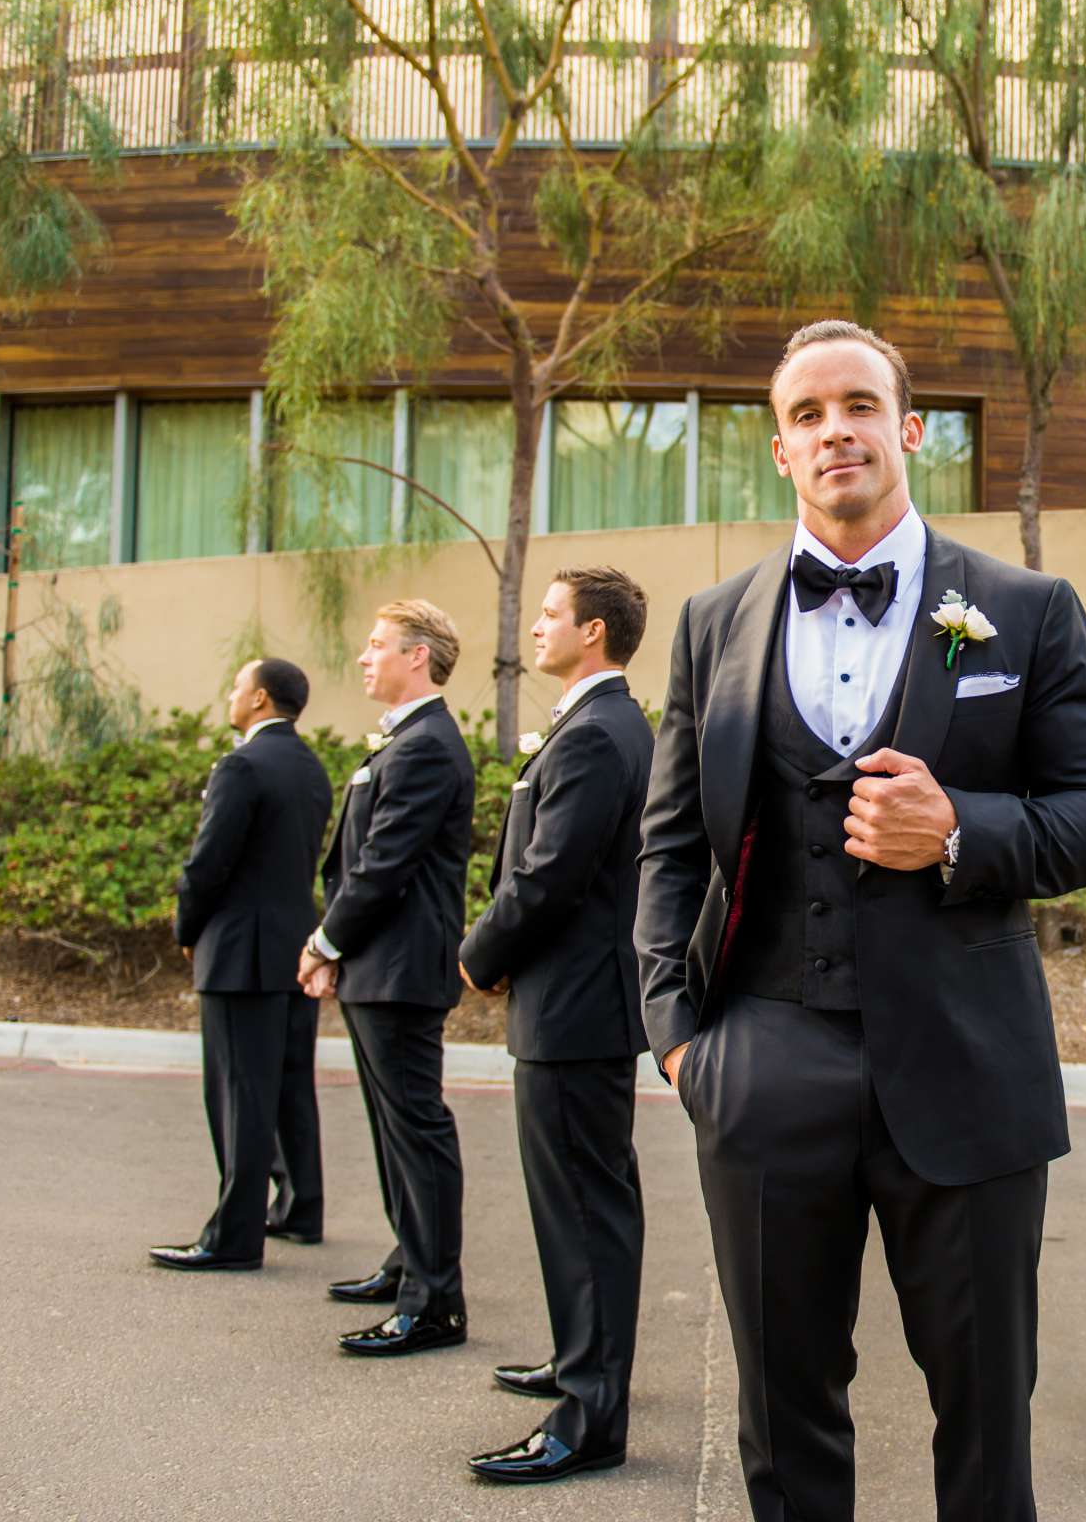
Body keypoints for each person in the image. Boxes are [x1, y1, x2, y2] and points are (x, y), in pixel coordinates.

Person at [635, 319, 1086, 1522]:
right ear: (780, 451)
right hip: (763, 1062)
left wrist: (962, 831)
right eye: (807, 415)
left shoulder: (1022, 607)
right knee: (783, 1409)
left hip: (970, 1067)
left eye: (858, 405)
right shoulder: (714, 622)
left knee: (984, 1414)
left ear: (908, 429)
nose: (835, 432)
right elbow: (668, 842)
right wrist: (677, 1030)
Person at [459, 567, 655, 1484]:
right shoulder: (598, 724)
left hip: (577, 1006)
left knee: (584, 1208)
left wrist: (478, 952)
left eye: (549, 614)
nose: (536, 626)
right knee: (579, 1207)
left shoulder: (599, 733)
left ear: (594, 632)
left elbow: (547, 875)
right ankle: (582, 1361)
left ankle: (589, 1419)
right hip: (569, 1000)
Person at [301, 600, 478, 1358]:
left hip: (401, 966)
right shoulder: (405, 741)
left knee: (416, 1127)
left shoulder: (428, 745)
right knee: (391, 1126)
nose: (364, 658)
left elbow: (383, 865)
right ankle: (411, 1260)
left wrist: (325, 939)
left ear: (418, 657)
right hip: (382, 964)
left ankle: (434, 1299)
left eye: (377, 646)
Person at [149, 657, 332, 1272]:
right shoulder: (311, 768)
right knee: (287, 1084)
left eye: (235, 688)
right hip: (293, 944)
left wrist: (186, 927)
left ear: (258, 699)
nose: (229, 696)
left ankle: (234, 1235)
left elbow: (209, 862)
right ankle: (302, 1207)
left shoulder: (241, 765)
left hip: (237, 951)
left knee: (237, 1093)